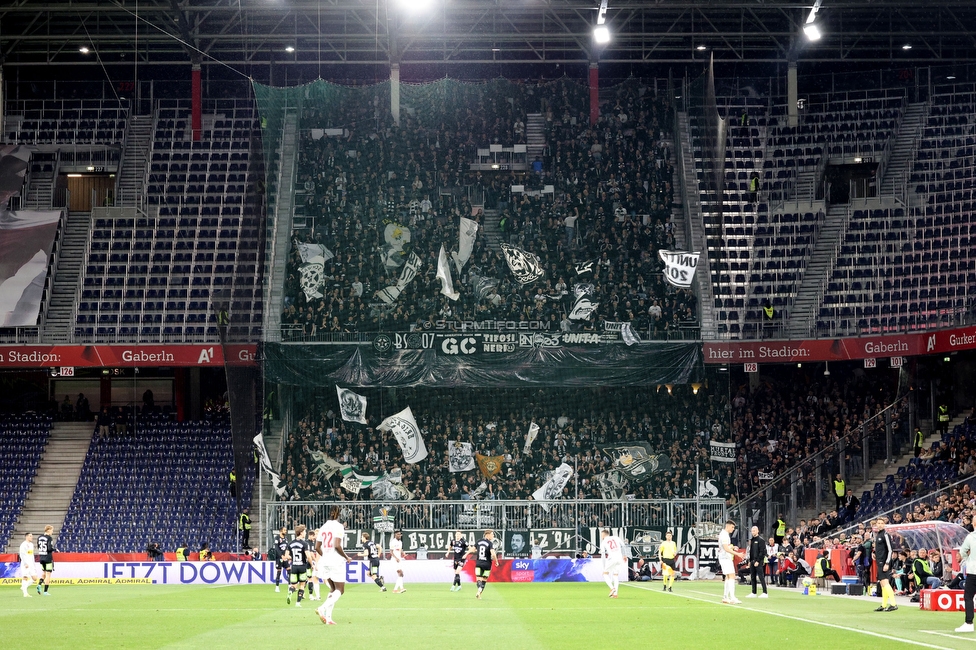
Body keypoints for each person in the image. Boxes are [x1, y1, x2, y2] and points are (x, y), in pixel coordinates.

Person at [315, 506, 351, 625]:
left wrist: (324, 555)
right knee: (340, 590)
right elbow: (337, 545)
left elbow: (317, 547)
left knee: (333, 589)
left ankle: (328, 619)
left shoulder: (323, 527)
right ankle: (322, 608)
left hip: (325, 561)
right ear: (338, 514)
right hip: (336, 561)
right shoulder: (339, 526)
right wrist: (346, 557)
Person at [955, 525, 976, 632]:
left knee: (968, 597)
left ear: (974, 524)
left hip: (973, 571)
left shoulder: (971, 537)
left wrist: (969, 559)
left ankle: (969, 623)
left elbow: (963, 552)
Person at [874, 518, 897, 612]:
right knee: (883, 583)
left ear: (884, 524)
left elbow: (890, 550)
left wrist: (887, 563)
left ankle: (893, 604)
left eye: (881, 523)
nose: (880, 525)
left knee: (885, 582)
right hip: (879, 561)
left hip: (884, 562)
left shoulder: (885, 534)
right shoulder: (878, 534)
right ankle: (883, 605)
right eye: (878, 523)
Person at [286, 524, 311, 607]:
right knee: (302, 585)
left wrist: (292, 558)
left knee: (293, 585)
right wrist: (312, 564)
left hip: (294, 566)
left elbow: (286, 556)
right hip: (302, 566)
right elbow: (308, 556)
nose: (305, 533)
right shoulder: (304, 544)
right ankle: (298, 603)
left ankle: (290, 591)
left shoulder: (290, 543)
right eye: (304, 532)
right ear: (300, 532)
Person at [718, 520, 742, 604]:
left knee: (728, 577)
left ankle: (725, 596)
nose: (733, 529)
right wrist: (737, 554)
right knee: (732, 576)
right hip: (725, 558)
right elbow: (725, 548)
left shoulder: (724, 534)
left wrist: (732, 547)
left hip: (724, 557)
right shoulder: (724, 535)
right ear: (727, 526)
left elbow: (726, 547)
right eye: (732, 527)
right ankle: (732, 597)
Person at [473, 529, 499, 600]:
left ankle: (479, 590)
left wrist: (466, 554)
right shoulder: (490, 543)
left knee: (478, 579)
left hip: (479, 563)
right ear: (487, 535)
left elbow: (472, 550)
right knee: (484, 580)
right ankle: (479, 594)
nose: (493, 535)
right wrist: (496, 561)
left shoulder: (479, 541)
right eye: (492, 534)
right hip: (487, 564)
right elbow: (493, 554)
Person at [600, 528, 625, 599]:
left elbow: (603, 554)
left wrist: (604, 566)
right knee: (615, 575)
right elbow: (623, 545)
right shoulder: (616, 537)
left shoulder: (604, 541)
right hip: (619, 558)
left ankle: (612, 588)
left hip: (612, 558)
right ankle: (615, 594)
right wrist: (625, 555)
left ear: (603, 535)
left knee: (605, 574)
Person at [746, 526, 768, 598]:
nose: (753, 532)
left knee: (761, 576)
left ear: (758, 531)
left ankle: (765, 592)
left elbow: (762, 552)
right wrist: (750, 561)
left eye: (754, 530)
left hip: (758, 561)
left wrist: (758, 561)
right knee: (752, 577)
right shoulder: (752, 540)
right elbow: (751, 552)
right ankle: (754, 592)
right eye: (752, 531)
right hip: (752, 561)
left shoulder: (761, 540)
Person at [35, 525, 56, 596]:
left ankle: (39, 584)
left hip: (41, 558)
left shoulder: (39, 537)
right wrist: (55, 549)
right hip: (48, 558)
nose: (52, 532)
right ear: (49, 530)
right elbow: (49, 548)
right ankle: (45, 591)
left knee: (44, 573)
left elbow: (38, 546)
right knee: (48, 574)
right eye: (52, 530)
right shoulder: (49, 538)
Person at [19, 532, 37, 597]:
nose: (31, 537)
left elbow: (31, 555)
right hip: (25, 564)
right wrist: (25, 563)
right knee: (25, 577)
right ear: (26, 537)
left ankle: (24, 587)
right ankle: (25, 593)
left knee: (35, 578)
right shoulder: (23, 545)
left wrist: (33, 563)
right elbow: (22, 554)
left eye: (31, 536)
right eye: (30, 536)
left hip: (31, 563)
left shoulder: (31, 545)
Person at [273, 526, 290, 593]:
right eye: (284, 530)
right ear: (280, 531)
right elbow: (276, 548)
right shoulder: (277, 538)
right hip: (279, 557)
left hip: (285, 557)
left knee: (289, 570)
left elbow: (287, 548)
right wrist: (281, 555)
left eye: (286, 530)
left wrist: (287, 556)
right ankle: (277, 587)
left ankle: (289, 586)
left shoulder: (286, 538)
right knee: (279, 571)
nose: (285, 531)